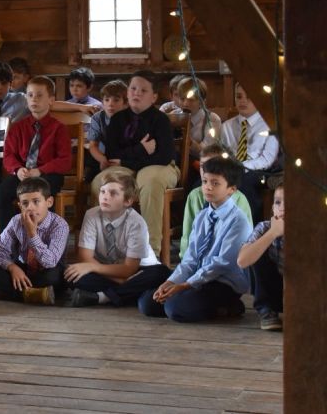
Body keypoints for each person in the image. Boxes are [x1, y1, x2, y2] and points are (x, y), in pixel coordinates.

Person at [138, 157, 251, 322]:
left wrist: (185, 285)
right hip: (199, 277)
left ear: (231, 189)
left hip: (223, 283)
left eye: (215, 183)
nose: (207, 187)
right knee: (147, 304)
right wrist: (170, 282)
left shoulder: (238, 221)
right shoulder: (202, 216)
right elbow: (190, 259)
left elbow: (221, 263)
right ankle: (208, 305)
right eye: (205, 181)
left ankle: (229, 305)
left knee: (174, 308)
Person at [90, 70, 179, 255]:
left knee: (149, 180)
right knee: (104, 180)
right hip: (128, 165)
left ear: (153, 97)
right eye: (133, 88)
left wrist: (129, 160)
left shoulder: (160, 120)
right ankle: (110, 247)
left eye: (143, 90)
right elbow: (114, 155)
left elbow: (164, 155)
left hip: (161, 166)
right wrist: (139, 150)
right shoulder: (117, 120)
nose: (136, 93)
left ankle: (149, 250)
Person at [65, 171, 170, 307]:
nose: (105, 197)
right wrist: (119, 280)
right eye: (103, 192)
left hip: (139, 270)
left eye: (113, 193)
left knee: (161, 273)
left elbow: (129, 269)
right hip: (109, 271)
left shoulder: (137, 223)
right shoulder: (91, 215)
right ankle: (129, 293)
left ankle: (102, 297)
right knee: (70, 274)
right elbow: (85, 258)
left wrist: (92, 267)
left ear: (127, 201)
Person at [0, 75, 71, 230]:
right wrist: (17, 169)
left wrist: (40, 170)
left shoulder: (59, 128)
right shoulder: (17, 127)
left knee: (41, 195)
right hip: (23, 174)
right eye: (30, 95)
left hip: (48, 175)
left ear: (51, 100)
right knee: (2, 193)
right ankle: (9, 241)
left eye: (39, 95)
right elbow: (8, 155)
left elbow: (65, 161)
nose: (34, 99)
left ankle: (46, 240)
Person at [0, 177, 68, 305]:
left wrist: (32, 234)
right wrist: (12, 267)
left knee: (53, 276)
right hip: (23, 270)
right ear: (20, 205)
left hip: (47, 270)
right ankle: (33, 294)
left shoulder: (59, 225)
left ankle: (5, 291)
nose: (30, 207)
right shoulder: (16, 221)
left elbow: (50, 262)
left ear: (49, 202)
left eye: (36, 201)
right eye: (25, 203)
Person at [220, 82, 280, 224]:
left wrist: (242, 166)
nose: (243, 101)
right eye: (239, 96)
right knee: (201, 184)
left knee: (243, 185)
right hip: (230, 169)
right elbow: (222, 152)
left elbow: (267, 159)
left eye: (249, 97)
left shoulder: (270, 124)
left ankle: (248, 230)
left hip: (258, 171)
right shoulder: (227, 126)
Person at [179, 145, 252, 259]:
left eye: (214, 165)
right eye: (203, 166)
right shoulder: (194, 196)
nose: (206, 170)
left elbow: (246, 240)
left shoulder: (239, 199)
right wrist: (184, 262)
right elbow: (187, 235)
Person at [237, 184, 284, 331]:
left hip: (302, 293)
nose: (282, 207)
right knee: (257, 248)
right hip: (274, 292)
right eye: (278, 202)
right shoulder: (264, 227)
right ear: (272, 208)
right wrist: (273, 233)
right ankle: (267, 309)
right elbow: (242, 261)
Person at [85, 79, 128, 182]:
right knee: (91, 173)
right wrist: (102, 159)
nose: (110, 104)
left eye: (116, 100)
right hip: (102, 155)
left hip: (124, 157)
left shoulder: (130, 119)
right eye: (107, 100)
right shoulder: (98, 118)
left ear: (125, 103)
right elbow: (93, 145)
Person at [177, 77, 222, 161]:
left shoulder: (212, 120)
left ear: (202, 101)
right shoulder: (174, 116)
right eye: (182, 99)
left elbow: (207, 153)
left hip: (200, 166)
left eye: (191, 100)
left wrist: (189, 142)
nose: (185, 104)